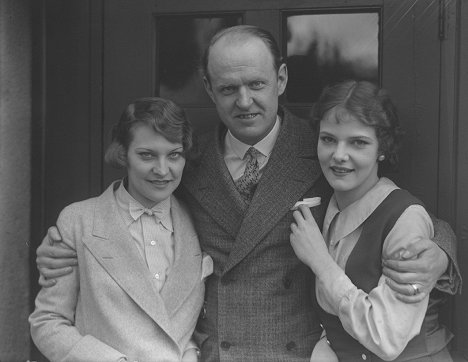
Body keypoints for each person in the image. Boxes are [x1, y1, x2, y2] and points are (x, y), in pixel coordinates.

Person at [35, 26, 460, 361]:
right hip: (218, 352)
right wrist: (68, 242)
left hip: (301, 352)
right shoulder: (187, 160)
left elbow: (389, 208)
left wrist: (441, 251)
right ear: (207, 88)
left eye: (256, 84)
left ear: (281, 78)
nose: (244, 101)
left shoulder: (325, 149)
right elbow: (135, 215)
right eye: (227, 89)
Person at [29, 97, 213, 362]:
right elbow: (47, 321)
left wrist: (191, 354)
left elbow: (189, 327)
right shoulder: (79, 221)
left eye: (174, 155)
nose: (162, 170)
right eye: (146, 155)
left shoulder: (198, 219)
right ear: (123, 153)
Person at [290, 80, 457, 361]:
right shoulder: (328, 202)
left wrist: (320, 262)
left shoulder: (405, 219)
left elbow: (386, 337)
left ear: (383, 147)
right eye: (328, 139)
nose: (339, 155)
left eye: (358, 142)